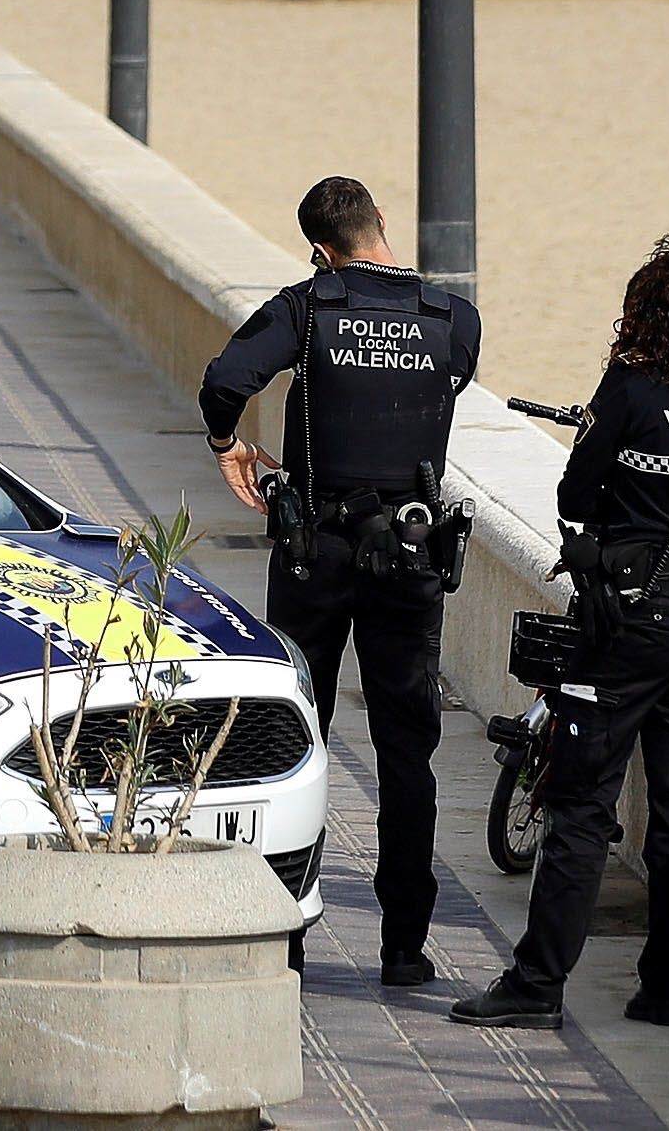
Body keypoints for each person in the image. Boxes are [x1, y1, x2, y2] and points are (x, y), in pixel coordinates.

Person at [455, 236, 669, 1031]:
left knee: (580, 803)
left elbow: (575, 489)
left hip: (639, 616)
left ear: (641, 311)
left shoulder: (632, 383)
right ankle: (667, 989)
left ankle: (538, 985)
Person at [203, 176, 481, 989]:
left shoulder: (306, 307)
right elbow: (446, 382)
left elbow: (225, 379)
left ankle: (283, 930)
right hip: (410, 552)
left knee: (297, 736)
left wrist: (229, 440)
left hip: (315, 548)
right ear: (381, 224)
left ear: (321, 249)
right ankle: (405, 947)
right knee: (408, 752)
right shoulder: (451, 318)